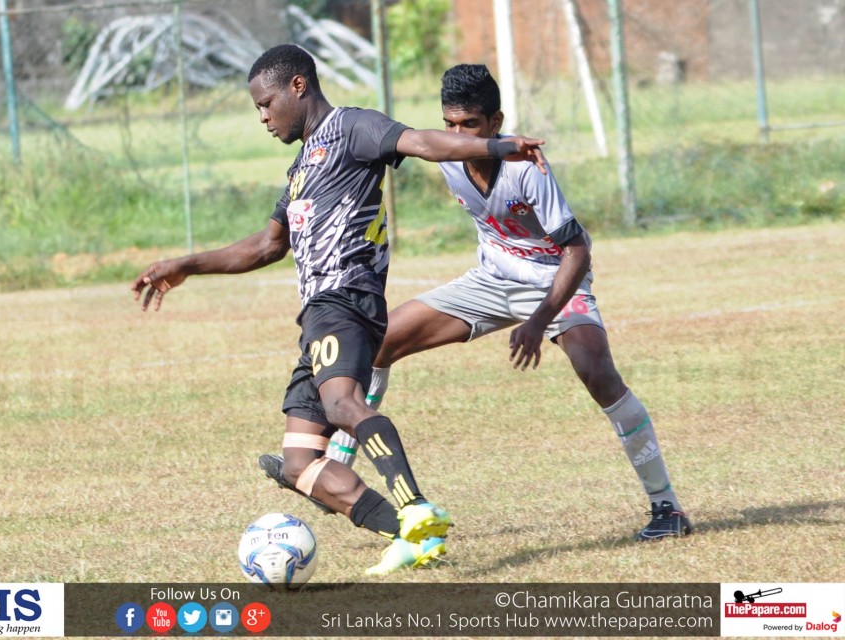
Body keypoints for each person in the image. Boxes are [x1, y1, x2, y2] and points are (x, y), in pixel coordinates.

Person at [131, 47, 549, 576]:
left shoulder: (352, 127)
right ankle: (411, 537)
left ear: (298, 87)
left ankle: (415, 506)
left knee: (344, 403)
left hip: (346, 300)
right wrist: (187, 263)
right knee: (299, 466)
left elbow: (419, 141)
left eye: (266, 104)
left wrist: (500, 145)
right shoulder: (301, 167)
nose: (262, 117)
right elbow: (265, 246)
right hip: (317, 317)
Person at [260, 63, 692, 543]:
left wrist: (538, 320)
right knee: (381, 344)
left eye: (470, 125)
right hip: (489, 279)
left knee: (597, 372)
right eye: (450, 124)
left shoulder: (527, 170)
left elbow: (577, 250)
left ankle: (666, 507)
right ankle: (336, 466)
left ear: (495, 122)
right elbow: (421, 145)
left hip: (551, 281)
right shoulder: (449, 159)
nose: (458, 134)